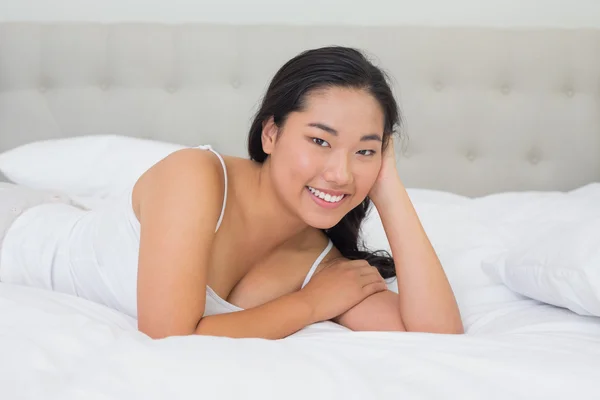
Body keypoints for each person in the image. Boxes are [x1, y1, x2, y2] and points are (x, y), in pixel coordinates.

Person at [0, 46, 463, 339]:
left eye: (364, 151)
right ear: (270, 134)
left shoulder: (325, 264)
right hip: (16, 228)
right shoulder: (196, 177)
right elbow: (168, 337)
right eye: (319, 141)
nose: (341, 174)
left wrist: (388, 189)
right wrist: (311, 305)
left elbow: (436, 337)